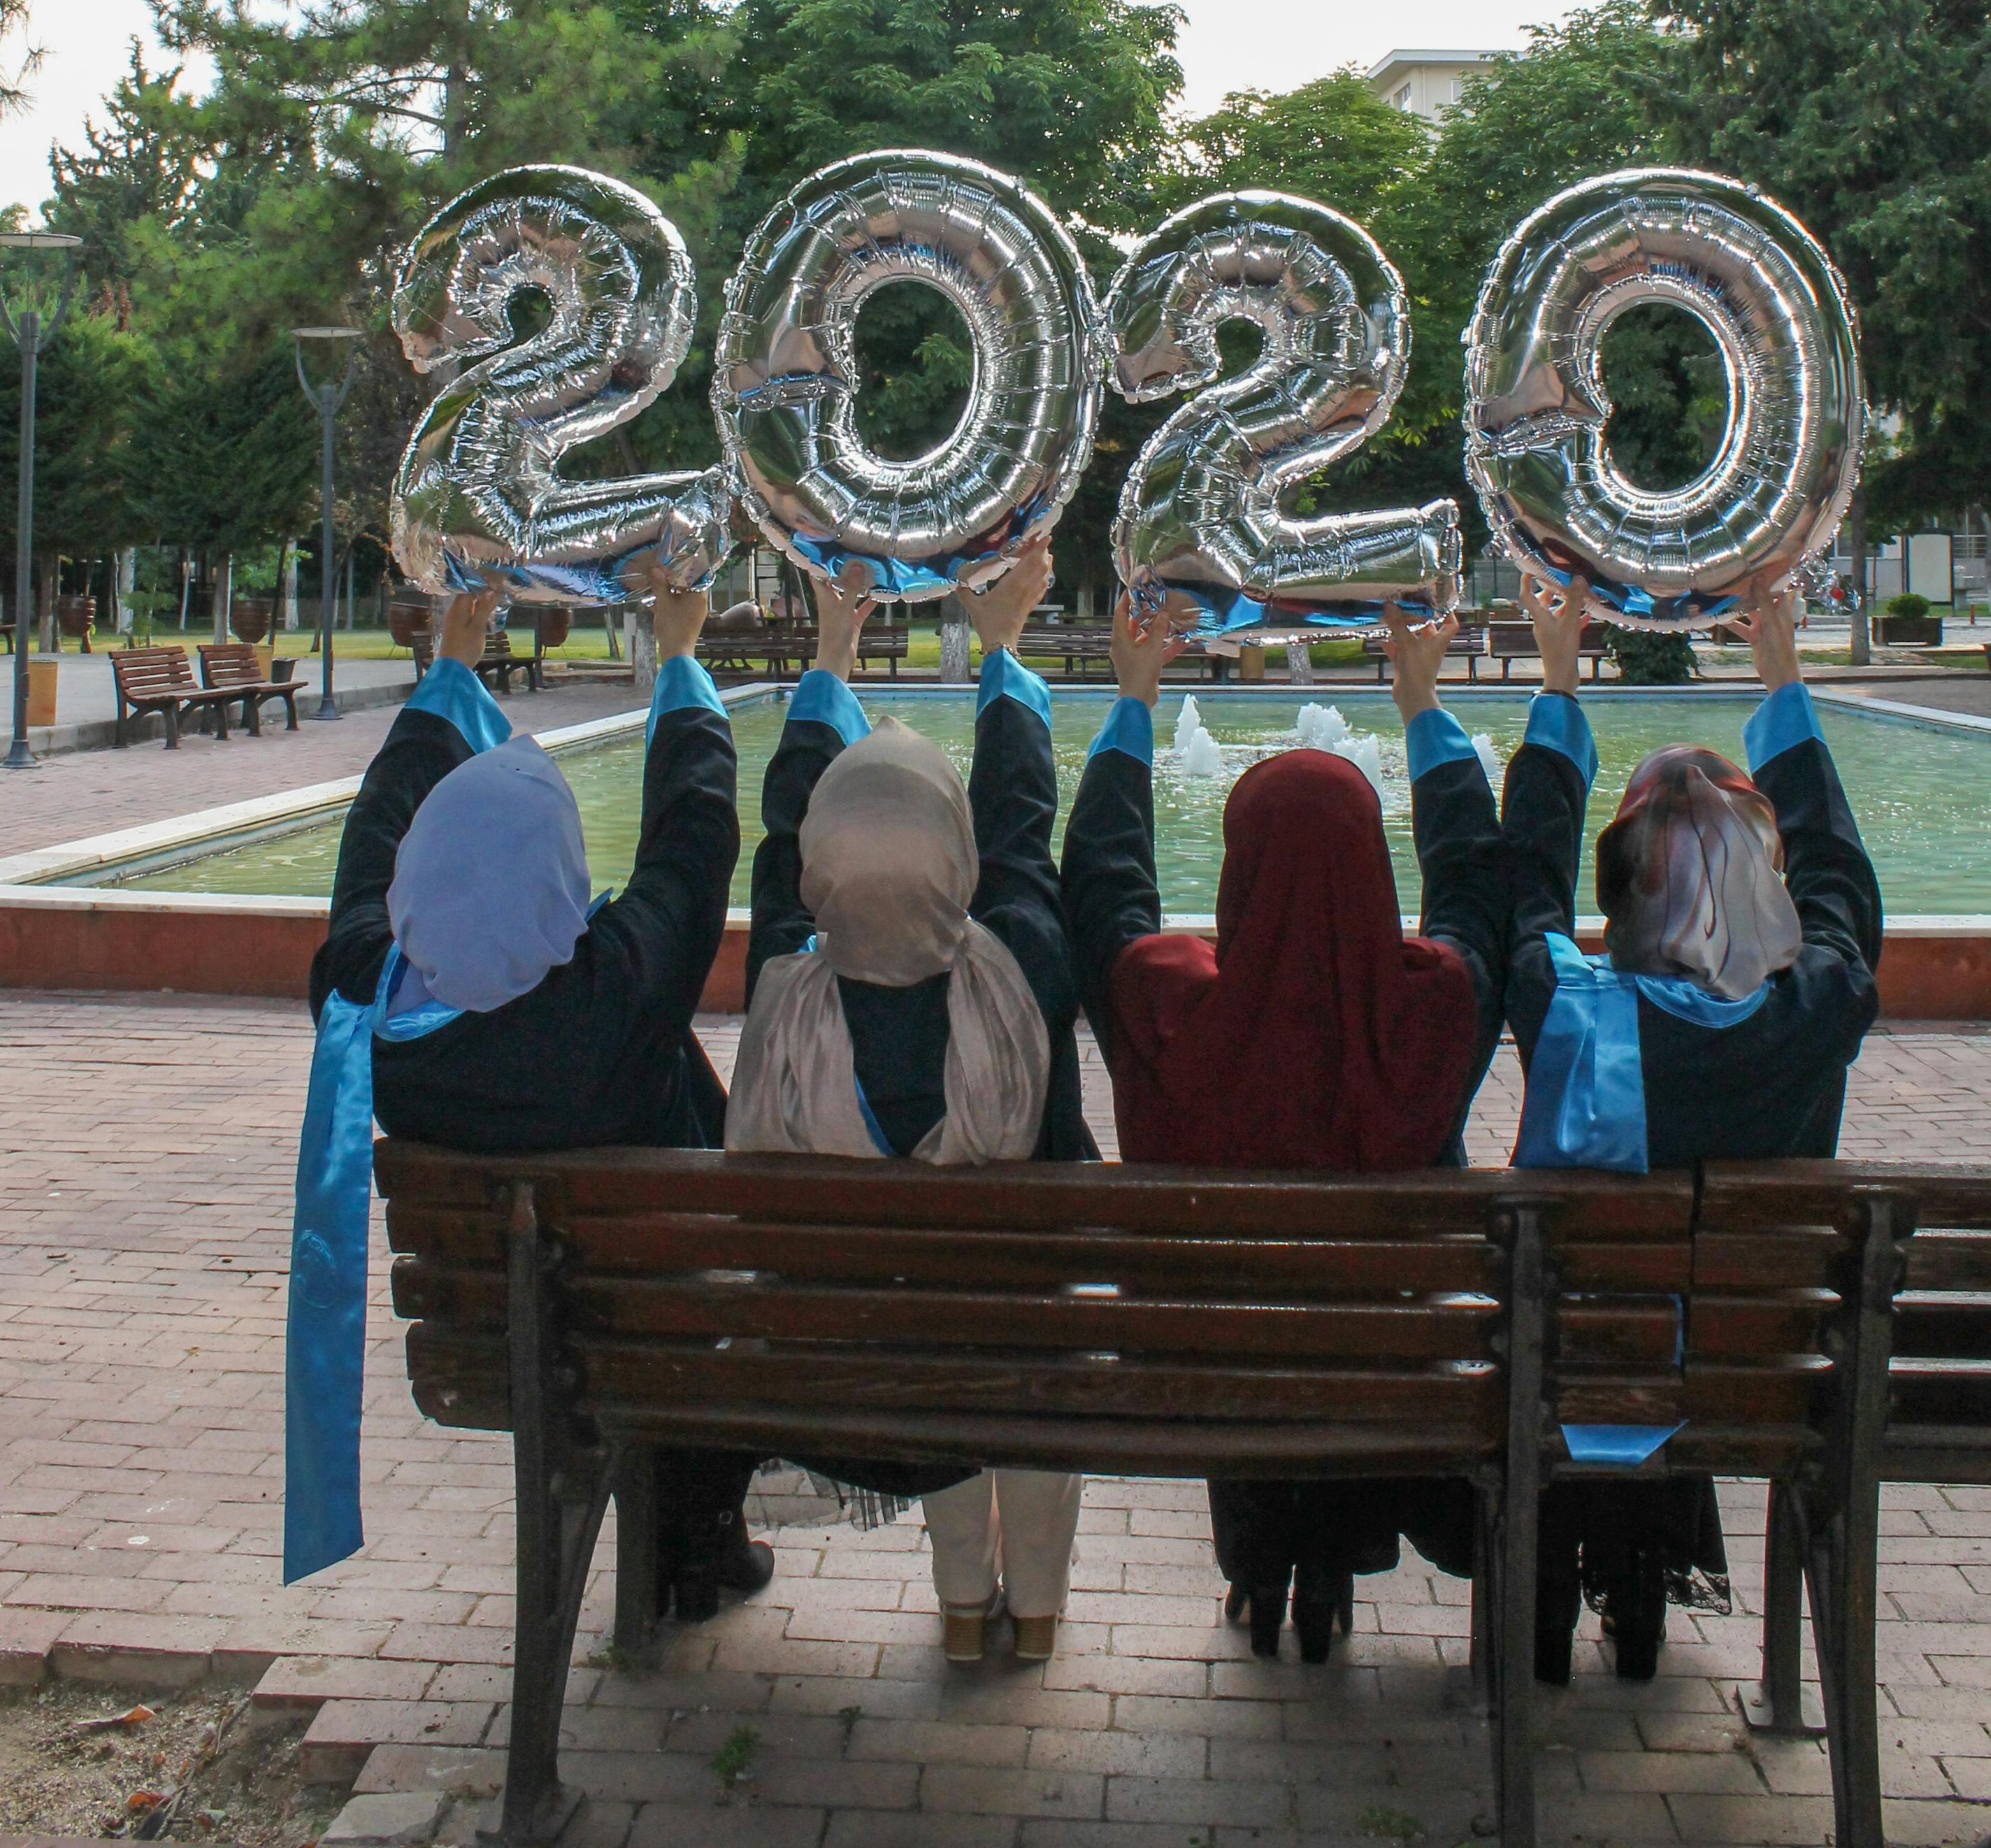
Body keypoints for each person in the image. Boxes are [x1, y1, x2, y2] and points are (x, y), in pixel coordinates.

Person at [1391, 573, 1883, 1684]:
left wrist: (1543, 686)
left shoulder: (1571, 1003)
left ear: (1623, 895)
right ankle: (1639, 1589)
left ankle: (1553, 1597)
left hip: (1562, 1359)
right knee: (1666, 1315)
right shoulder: (1823, 1005)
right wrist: (1783, 679)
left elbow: (1505, 880)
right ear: (1770, 891)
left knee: (1598, 1312)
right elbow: (1843, 874)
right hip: (1759, 1368)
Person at [1059, 585, 1546, 1663]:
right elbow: (1478, 890)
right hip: (1398, 1367)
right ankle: (1328, 1564)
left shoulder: (1169, 1010)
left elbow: (1100, 885)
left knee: (1253, 1315)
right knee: (1353, 1320)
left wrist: (1134, 696)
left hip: (1207, 1367)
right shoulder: (1429, 1014)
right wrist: (1422, 701)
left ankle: (1266, 1566)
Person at [285, 570, 773, 1623]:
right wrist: (682, 656)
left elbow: (367, 848)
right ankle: (697, 1532)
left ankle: (677, 1540)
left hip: (508, 1356)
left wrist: (448, 673)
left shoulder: (369, 1000)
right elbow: (693, 838)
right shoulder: (612, 996)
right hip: (679, 1334)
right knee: (710, 1264)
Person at [726, 537, 1090, 1667]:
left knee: (932, 1316)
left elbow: (788, 829)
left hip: (860, 1359)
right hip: (1017, 1340)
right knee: (1015, 1326)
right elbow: (1023, 819)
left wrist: (833, 651)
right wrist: (1002, 649)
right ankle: (1031, 1614)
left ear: (819, 882)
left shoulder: (785, 989)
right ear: (959, 859)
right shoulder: (1019, 967)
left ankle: (959, 1602)